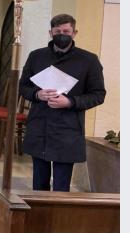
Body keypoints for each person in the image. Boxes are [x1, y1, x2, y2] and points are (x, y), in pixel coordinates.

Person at [19, 14, 105, 192]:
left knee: (61, 186)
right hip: (40, 124)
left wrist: (70, 101)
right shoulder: (36, 56)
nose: (62, 34)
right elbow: (23, 86)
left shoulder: (89, 60)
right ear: (50, 33)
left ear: (74, 33)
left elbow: (98, 94)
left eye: (66, 31)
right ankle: (38, 216)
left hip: (68, 128)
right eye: (57, 31)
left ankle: (57, 219)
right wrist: (37, 94)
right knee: (39, 184)